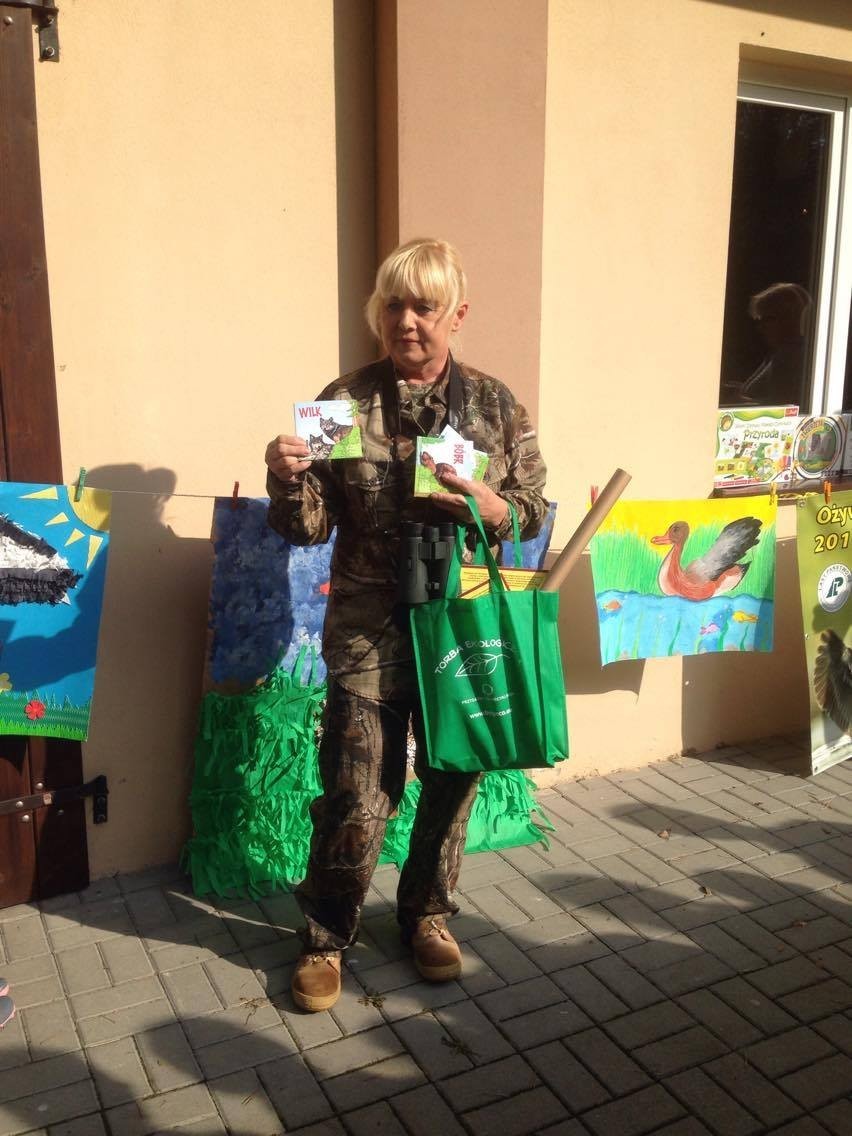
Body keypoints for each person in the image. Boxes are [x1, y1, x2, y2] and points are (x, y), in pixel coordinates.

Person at [264, 237, 548, 1012]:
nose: (407, 321)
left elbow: (529, 508)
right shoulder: (342, 401)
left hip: (459, 630)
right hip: (367, 633)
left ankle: (425, 915)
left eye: (425, 306)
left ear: (458, 314)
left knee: (451, 783)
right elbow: (307, 525)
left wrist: (495, 508)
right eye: (394, 304)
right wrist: (286, 480)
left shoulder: (495, 405)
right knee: (355, 794)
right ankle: (326, 936)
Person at [739, 282, 812, 407]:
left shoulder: (790, 357)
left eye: (767, 319)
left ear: (789, 318)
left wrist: (737, 400)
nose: (760, 327)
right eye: (759, 320)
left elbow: (781, 407)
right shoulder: (779, 353)